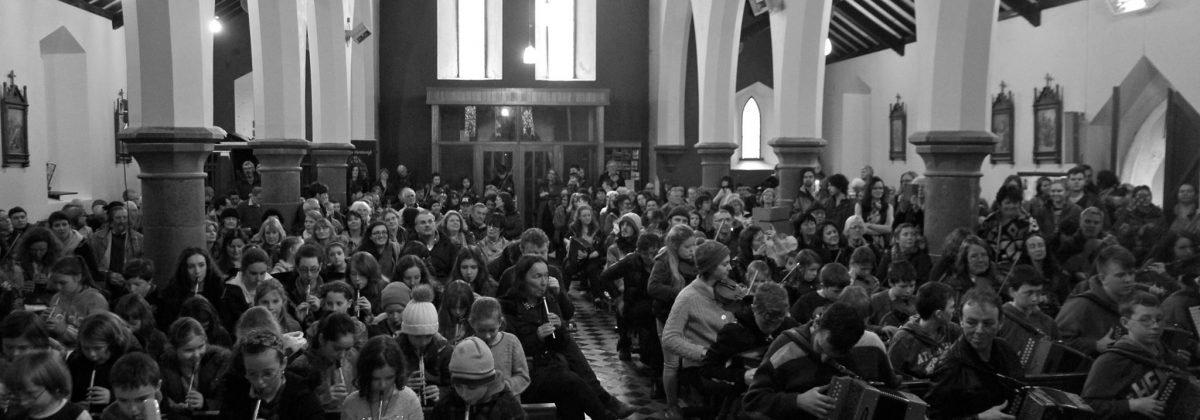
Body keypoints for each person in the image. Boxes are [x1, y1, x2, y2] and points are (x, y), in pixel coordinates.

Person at [499, 256, 633, 420]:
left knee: (571, 396)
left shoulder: (547, 300)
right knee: (571, 381)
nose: (544, 282)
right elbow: (509, 350)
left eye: (546, 276)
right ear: (523, 279)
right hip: (528, 371)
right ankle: (605, 414)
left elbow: (561, 342)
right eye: (537, 276)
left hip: (551, 365)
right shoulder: (509, 307)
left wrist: (559, 328)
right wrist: (537, 337)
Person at [742, 302, 894, 419]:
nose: (823, 358)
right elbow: (753, 400)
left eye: (834, 356)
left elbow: (892, 386)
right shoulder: (786, 346)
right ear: (817, 324)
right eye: (821, 347)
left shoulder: (868, 346)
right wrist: (798, 401)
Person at [661, 241, 740, 417]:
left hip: (728, 360)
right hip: (699, 365)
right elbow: (669, 337)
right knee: (732, 392)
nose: (730, 268)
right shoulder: (688, 297)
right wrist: (704, 352)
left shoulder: (728, 291)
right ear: (710, 267)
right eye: (725, 264)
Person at [1081, 292, 1184, 420]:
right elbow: (1089, 405)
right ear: (1125, 322)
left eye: (1159, 319)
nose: (1155, 326)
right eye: (1145, 320)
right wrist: (1131, 405)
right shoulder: (1111, 360)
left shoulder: (1169, 356)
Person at [924, 288, 1023, 420]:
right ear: (961, 321)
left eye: (988, 323)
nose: (979, 331)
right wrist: (978, 418)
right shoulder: (949, 364)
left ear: (1000, 323)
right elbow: (932, 418)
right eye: (971, 323)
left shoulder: (1006, 350)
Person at [698, 282, 795, 415]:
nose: (772, 327)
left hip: (776, 393)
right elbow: (707, 368)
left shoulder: (788, 326)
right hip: (742, 396)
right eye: (766, 321)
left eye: (778, 321)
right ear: (754, 309)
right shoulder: (734, 332)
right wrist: (742, 376)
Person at [220, 330, 323, 420]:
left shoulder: (303, 398)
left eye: (267, 373)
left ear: (283, 364)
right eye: (252, 373)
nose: (259, 382)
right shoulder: (235, 395)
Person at [1056, 245, 1137, 357]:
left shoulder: (1136, 301)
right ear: (1102, 278)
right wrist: (1094, 345)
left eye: (1131, 273)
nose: (1128, 280)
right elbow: (1056, 341)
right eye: (1121, 275)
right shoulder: (1081, 305)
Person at [433, 337, 527, 420]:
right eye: (458, 386)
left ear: (487, 382)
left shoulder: (507, 407)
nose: (464, 394)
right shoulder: (445, 406)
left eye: (472, 387)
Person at [288, 312, 360, 414]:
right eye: (337, 348)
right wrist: (322, 398)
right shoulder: (302, 366)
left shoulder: (353, 356)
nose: (342, 355)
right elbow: (291, 408)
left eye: (348, 348)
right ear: (322, 339)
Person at [887, 281, 961, 380]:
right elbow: (892, 377)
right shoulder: (903, 340)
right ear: (938, 314)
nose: (954, 311)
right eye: (952, 307)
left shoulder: (953, 330)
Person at [159, 317, 231, 419]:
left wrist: (205, 403)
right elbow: (161, 400)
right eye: (189, 350)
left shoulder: (219, 361)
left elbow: (228, 400)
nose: (197, 355)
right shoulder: (164, 366)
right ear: (174, 349)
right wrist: (170, 406)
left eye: (201, 346)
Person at [67, 312, 140, 410]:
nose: (91, 354)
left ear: (114, 343)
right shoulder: (76, 359)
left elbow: (143, 394)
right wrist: (74, 408)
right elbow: (64, 392)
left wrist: (114, 398)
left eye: (98, 348)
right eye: (86, 348)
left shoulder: (131, 360)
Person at [340, 336, 424, 420]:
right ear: (365, 375)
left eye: (389, 378)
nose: (383, 385)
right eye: (375, 379)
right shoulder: (352, 403)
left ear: (398, 374)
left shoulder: (409, 399)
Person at [396, 285, 451, 408]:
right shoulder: (394, 349)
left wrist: (441, 392)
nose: (423, 342)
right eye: (416, 336)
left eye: (428, 336)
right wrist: (401, 386)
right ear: (406, 332)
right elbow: (381, 384)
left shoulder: (445, 350)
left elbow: (455, 386)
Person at [467, 297, 530, 396]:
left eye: (492, 330)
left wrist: (505, 386)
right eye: (481, 330)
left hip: (508, 404)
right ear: (472, 323)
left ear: (500, 322)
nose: (487, 336)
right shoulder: (467, 346)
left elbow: (523, 377)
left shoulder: (511, 341)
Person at [2, 350, 90, 420]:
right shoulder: (17, 415)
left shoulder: (76, 415)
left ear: (54, 387)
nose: (23, 401)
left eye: (31, 394)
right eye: (17, 395)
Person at [997, 265, 1060, 361]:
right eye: (1028, 293)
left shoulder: (1048, 323)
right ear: (1012, 292)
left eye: (1038, 293)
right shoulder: (1000, 319)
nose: (1035, 299)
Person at [45, 256, 109, 344]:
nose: (58, 287)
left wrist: (64, 330)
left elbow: (96, 337)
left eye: (63, 283)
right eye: (55, 283)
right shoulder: (57, 297)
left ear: (78, 277)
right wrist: (43, 322)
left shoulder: (95, 300)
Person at [218, 247, 273, 333]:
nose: (258, 278)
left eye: (262, 273)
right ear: (243, 270)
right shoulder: (230, 290)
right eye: (253, 273)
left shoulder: (271, 283)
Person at [88, 203, 143, 285]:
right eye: (118, 218)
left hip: (129, 280)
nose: (122, 221)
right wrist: (109, 275)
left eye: (124, 218)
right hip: (104, 279)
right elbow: (93, 263)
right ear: (111, 220)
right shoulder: (97, 238)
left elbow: (141, 263)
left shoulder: (138, 239)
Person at [99, 353, 161, 420]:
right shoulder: (109, 416)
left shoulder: (171, 411)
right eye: (123, 400)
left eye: (141, 399)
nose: (133, 409)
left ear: (158, 386)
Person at [111, 294, 168, 361]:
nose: (129, 330)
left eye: (133, 324)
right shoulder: (115, 336)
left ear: (144, 319)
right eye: (123, 325)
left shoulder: (158, 338)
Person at [868, 260, 917, 331]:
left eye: (912, 285)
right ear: (890, 282)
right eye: (903, 286)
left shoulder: (916, 302)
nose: (908, 291)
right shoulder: (875, 301)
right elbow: (861, 327)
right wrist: (881, 329)